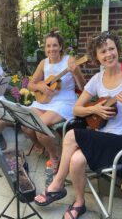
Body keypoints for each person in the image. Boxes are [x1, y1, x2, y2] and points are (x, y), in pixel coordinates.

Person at [34, 31, 122, 219]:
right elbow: (76, 109)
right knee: (76, 159)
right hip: (105, 136)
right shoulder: (98, 79)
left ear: (118, 50)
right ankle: (80, 203)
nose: (108, 54)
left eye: (111, 49)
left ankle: (56, 185)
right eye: (103, 51)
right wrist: (95, 110)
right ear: (97, 57)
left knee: (72, 135)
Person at [23, 28, 86, 172]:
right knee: (24, 121)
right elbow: (30, 85)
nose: (52, 49)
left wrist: (75, 72)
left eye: (55, 45)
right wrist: (41, 86)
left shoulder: (69, 60)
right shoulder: (43, 63)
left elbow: (83, 87)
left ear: (61, 46)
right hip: (45, 101)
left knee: (40, 126)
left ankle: (54, 156)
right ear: (45, 48)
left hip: (64, 102)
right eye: (48, 46)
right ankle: (39, 145)